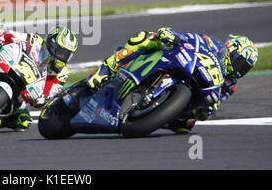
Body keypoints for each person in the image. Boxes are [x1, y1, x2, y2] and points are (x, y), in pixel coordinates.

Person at [86, 27, 259, 133]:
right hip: (181, 63)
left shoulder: (230, 85)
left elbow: (213, 107)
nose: (239, 69)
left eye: (245, 68)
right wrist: (174, 36)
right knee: (146, 37)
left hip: (191, 93)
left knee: (186, 125)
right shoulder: (214, 45)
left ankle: (153, 116)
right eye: (240, 62)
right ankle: (106, 69)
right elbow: (192, 39)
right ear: (231, 52)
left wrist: (208, 109)